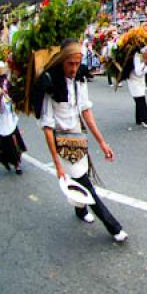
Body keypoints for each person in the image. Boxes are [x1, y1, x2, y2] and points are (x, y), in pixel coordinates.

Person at [32, 39, 127, 242]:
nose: (74, 68)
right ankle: (113, 227)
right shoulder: (50, 83)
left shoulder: (80, 78)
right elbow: (47, 127)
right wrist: (57, 165)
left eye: (77, 63)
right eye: (70, 64)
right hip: (60, 139)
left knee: (81, 175)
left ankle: (79, 210)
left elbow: (85, 110)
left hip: (77, 134)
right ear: (61, 61)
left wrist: (102, 142)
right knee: (84, 182)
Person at [0, 63, 26, 174]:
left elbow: (14, 95)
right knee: (3, 144)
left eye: (4, 76)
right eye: (0, 77)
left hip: (9, 118)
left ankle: (17, 163)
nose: (3, 79)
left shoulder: (7, 84)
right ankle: (6, 161)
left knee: (14, 140)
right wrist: (0, 97)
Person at [124, 44, 147, 129]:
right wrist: (145, 63)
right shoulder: (138, 55)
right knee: (140, 98)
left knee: (139, 96)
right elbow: (138, 71)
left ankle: (139, 119)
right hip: (133, 77)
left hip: (140, 78)